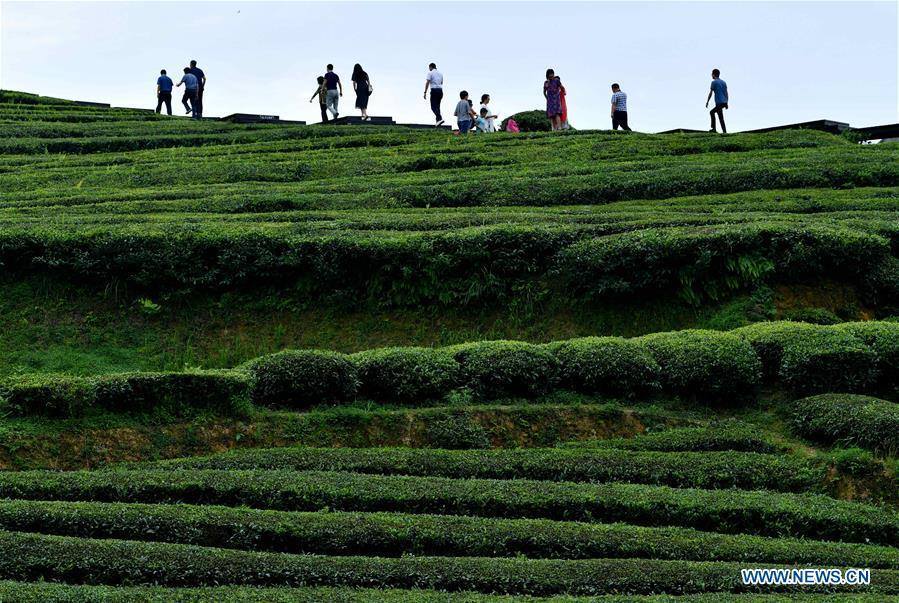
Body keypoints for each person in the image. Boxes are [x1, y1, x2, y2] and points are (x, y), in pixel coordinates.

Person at [706, 68, 728, 133]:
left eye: (712, 74)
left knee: (711, 112)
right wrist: (727, 102)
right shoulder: (724, 82)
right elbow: (726, 93)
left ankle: (714, 129)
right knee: (720, 117)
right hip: (723, 102)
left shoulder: (714, 82)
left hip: (719, 103)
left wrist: (707, 101)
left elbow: (711, 93)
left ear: (713, 74)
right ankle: (724, 132)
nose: (711, 75)